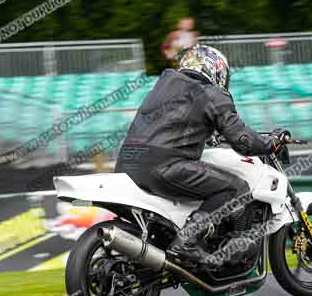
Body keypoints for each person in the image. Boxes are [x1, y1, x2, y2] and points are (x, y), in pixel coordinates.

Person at [115, 44, 288, 266]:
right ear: (216, 71)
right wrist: (270, 143)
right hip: (164, 166)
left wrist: (208, 135)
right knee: (235, 187)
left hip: (128, 163)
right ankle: (188, 241)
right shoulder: (212, 93)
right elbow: (242, 140)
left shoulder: (164, 85)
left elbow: (171, 124)